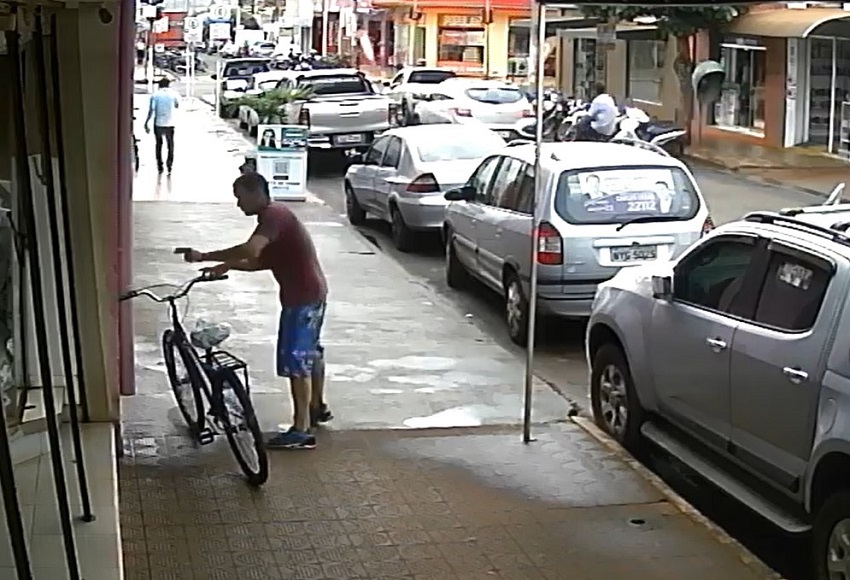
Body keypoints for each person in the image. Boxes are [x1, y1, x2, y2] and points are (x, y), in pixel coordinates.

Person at [182, 172, 332, 449]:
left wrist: (205, 256)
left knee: (297, 363)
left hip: (301, 298)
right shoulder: (277, 218)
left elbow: (251, 250)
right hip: (312, 292)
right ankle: (317, 406)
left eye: (240, 198)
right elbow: (259, 261)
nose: (238, 205)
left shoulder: (274, 215)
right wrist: (227, 266)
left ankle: (301, 431)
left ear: (254, 193)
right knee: (311, 352)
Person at [144, 78, 179, 175]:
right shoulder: (173, 94)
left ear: (159, 85)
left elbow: (151, 110)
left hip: (158, 123)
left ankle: (160, 166)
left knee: (159, 145)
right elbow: (177, 105)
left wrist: (146, 122)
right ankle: (169, 165)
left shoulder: (155, 95)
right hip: (170, 123)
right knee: (170, 145)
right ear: (168, 85)